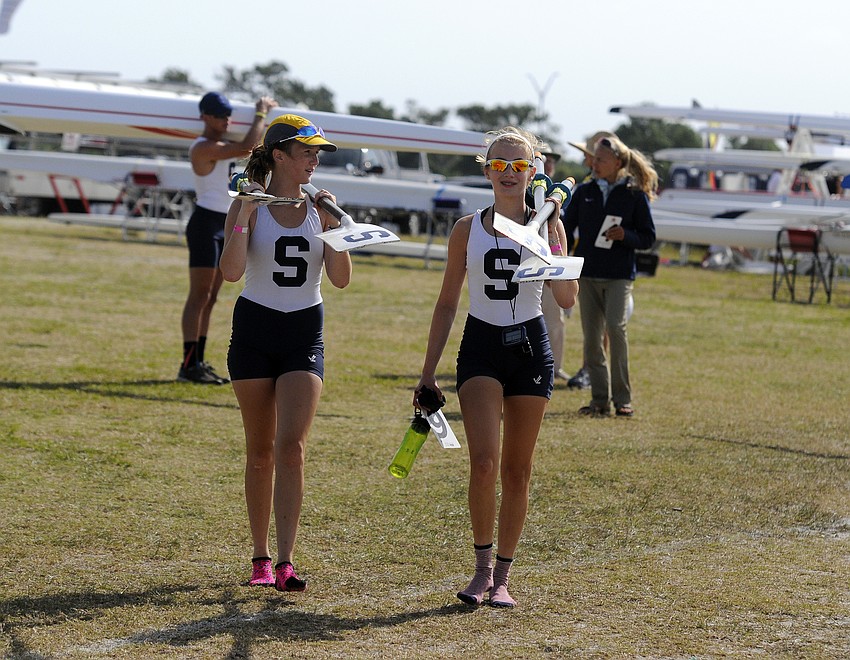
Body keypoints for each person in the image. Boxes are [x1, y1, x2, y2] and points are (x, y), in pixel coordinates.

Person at [414, 127, 578, 608]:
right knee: (483, 462)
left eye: (519, 165)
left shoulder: (548, 224)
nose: (509, 173)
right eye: (499, 164)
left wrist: (553, 239)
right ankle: (482, 569)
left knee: (517, 470)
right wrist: (427, 372)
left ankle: (504, 575)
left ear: (534, 171)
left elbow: (566, 298)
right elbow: (447, 303)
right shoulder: (467, 229)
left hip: (530, 347)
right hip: (480, 346)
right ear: (485, 169)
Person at [219, 114, 352, 591]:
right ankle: (259, 556)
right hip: (254, 329)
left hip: (303, 333)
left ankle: (287, 562)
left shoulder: (322, 206)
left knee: (291, 448)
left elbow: (340, 278)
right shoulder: (249, 201)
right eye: (307, 152)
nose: (315, 160)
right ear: (279, 156)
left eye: (318, 153)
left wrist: (336, 225)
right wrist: (243, 216)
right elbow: (231, 273)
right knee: (259, 452)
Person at [177, 91, 277, 384]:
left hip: (225, 222)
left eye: (228, 115)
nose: (226, 120)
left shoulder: (221, 144)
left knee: (212, 298)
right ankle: (187, 364)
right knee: (199, 295)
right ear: (205, 117)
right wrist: (260, 114)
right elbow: (249, 146)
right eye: (220, 116)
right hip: (206, 223)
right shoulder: (202, 147)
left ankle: (198, 361)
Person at [564, 135, 657, 417]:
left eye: (601, 159)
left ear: (617, 162)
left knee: (616, 329)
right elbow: (566, 229)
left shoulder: (634, 194)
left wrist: (625, 235)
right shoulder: (584, 191)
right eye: (594, 158)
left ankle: (622, 399)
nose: (595, 163)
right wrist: (559, 258)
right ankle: (599, 401)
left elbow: (648, 237)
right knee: (592, 340)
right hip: (588, 274)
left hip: (619, 276)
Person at [565, 131, 617, 391]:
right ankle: (594, 374)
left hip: (615, 268)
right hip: (589, 264)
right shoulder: (588, 185)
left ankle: (593, 372)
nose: (589, 161)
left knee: (606, 326)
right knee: (595, 326)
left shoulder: (616, 186)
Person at [537, 146, 569, 381]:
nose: (548, 165)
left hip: (553, 261)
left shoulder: (557, 195)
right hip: (527, 265)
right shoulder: (529, 194)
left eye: (551, 162)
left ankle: (555, 366)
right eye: (543, 160)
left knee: (555, 318)